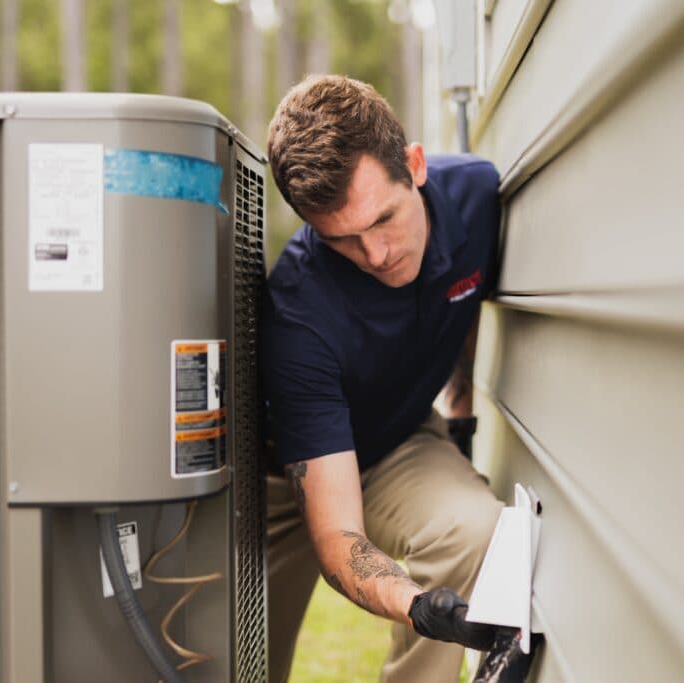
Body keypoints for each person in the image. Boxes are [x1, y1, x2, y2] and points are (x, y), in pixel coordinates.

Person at [262, 74, 506, 683]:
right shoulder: (297, 314)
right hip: (281, 476)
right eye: (343, 240)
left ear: (415, 165)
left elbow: (467, 303)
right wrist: (420, 606)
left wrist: (462, 410)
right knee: (233, 662)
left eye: (384, 220)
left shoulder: (478, 197)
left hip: (396, 442)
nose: (375, 255)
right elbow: (338, 537)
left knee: (472, 529)